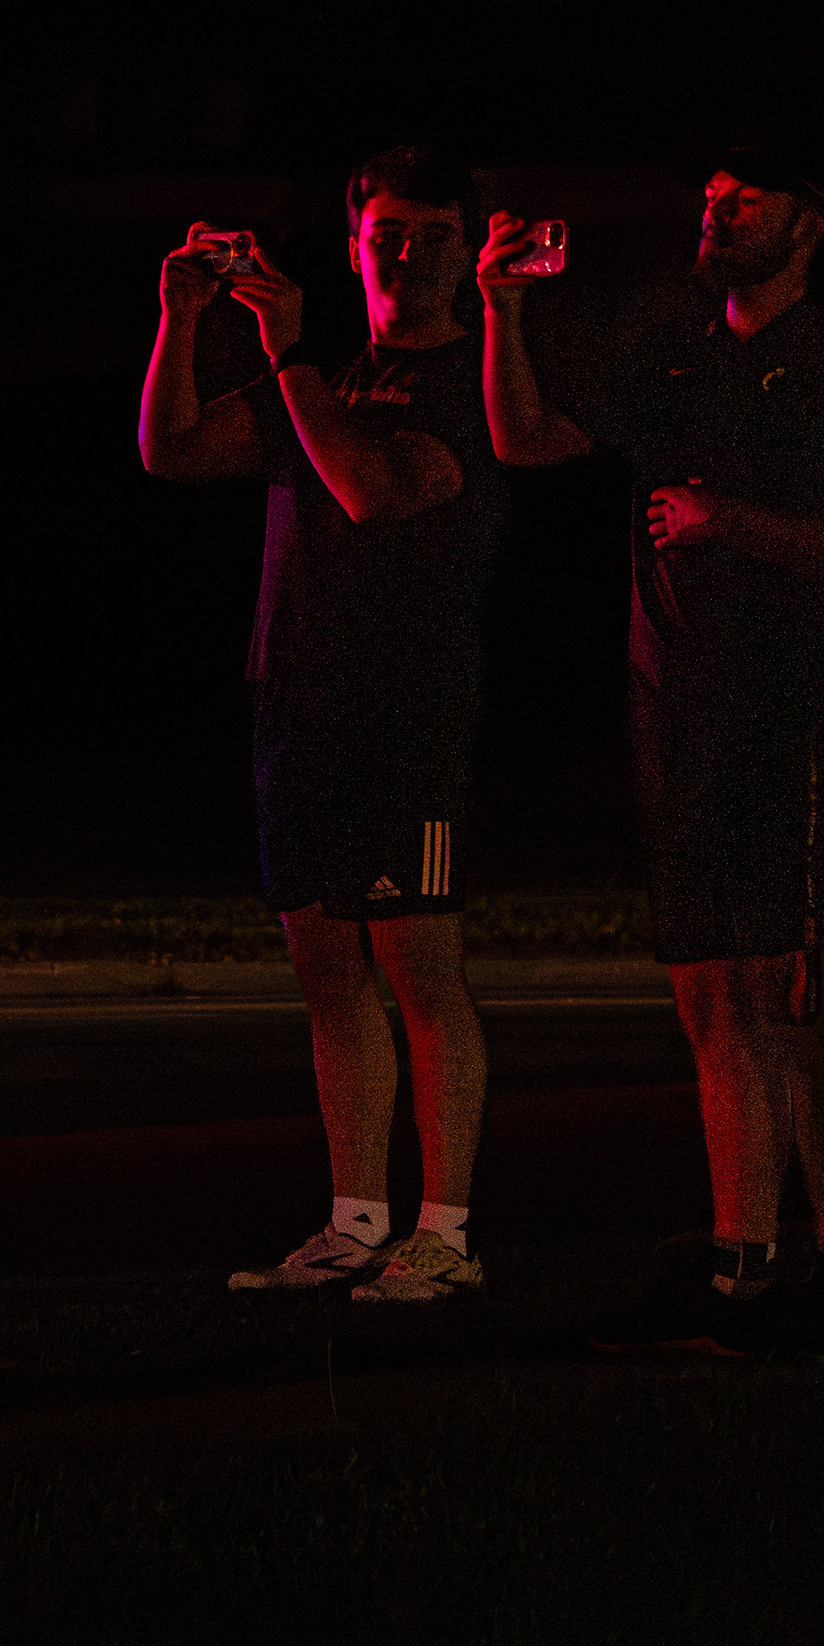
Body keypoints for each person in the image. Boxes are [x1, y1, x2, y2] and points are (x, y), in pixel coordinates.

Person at [476, 147, 824, 1357]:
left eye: (749, 200)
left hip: (790, 707)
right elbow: (522, 439)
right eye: (713, 198)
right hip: (677, 707)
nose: (719, 215)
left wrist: (737, 522)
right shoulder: (675, 354)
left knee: (793, 996)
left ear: (809, 226)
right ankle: (738, 1262)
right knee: (707, 992)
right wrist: (504, 308)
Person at [138, 147, 508, 1303]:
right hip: (294, 704)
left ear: (468, 242)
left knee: (421, 974)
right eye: (387, 231)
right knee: (328, 972)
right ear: (355, 242)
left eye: (433, 231)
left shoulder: (474, 380)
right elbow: (174, 448)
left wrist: (290, 352)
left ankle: (444, 1231)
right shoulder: (331, 372)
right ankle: (357, 1219)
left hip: (405, 714)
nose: (406, 253)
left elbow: (372, 488)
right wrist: (181, 320)